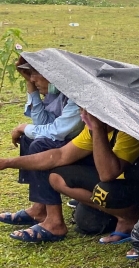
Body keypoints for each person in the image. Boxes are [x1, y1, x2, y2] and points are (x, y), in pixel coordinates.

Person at [0, 108, 139, 244]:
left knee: (105, 190)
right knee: (87, 221)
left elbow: (107, 174)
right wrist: (7, 162)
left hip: (138, 191)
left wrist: (97, 128)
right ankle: (122, 217)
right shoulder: (93, 130)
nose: (82, 114)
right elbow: (60, 155)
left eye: (87, 110)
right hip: (114, 190)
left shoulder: (128, 130)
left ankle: (131, 218)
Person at [0, 58, 83, 230]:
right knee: (29, 138)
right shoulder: (56, 93)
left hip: (84, 153)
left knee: (41, 144)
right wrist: (31, 89)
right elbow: (41, 123)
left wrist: (23, 126)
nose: (32, 79)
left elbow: (58, 131)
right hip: (70, 146)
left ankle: (55, 221)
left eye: (35, 74)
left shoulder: (76, 96)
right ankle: (39, 208)